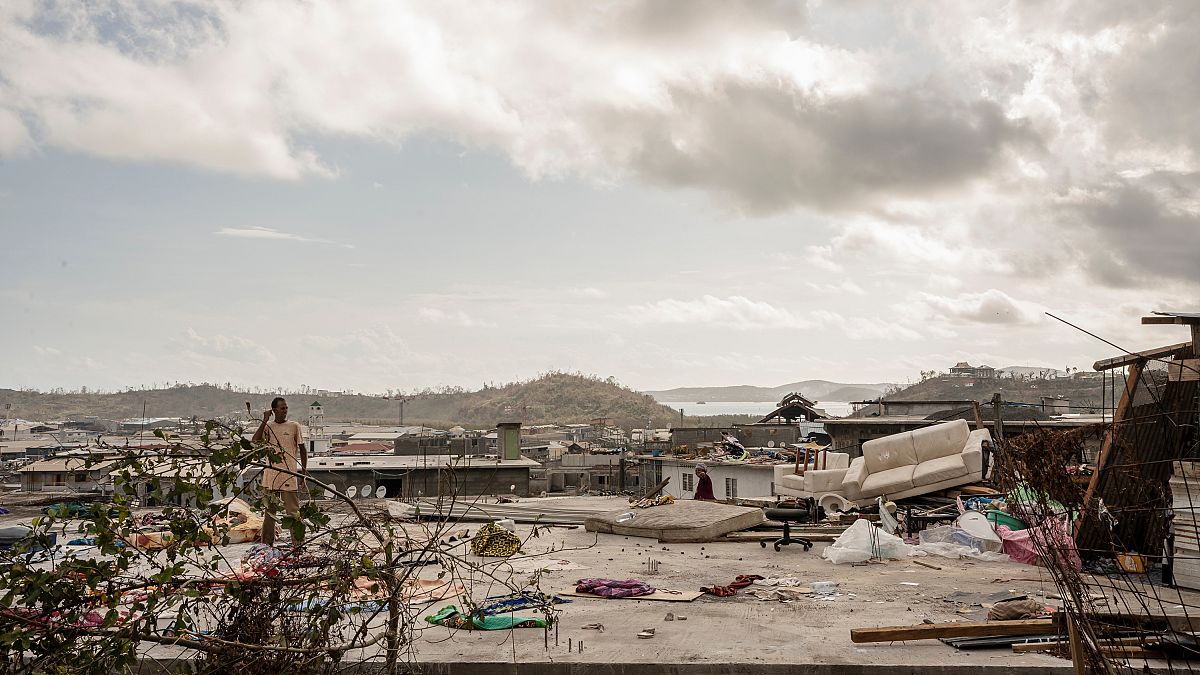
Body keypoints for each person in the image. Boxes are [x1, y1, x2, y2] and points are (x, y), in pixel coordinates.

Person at [252, 397, 308, 546]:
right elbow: (255, 440)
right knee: (269, 514)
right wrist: (264, 420)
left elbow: (303, 449)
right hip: (270, 477)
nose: (285, 411)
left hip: (289, 476)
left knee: (294, 513)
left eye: (286, 408)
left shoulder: (294, 426)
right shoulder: (268, 426)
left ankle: (299, 545)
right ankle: (266, 545)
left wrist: (303, 472)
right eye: (282, 408)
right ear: (274, 410)